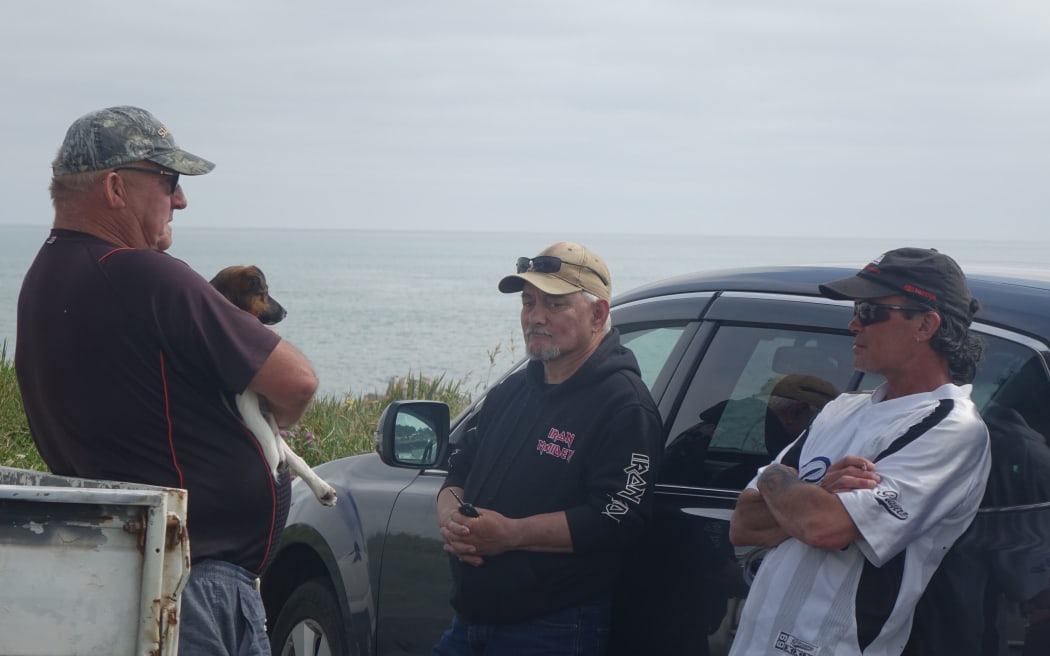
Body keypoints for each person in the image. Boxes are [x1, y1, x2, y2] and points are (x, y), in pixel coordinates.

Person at [15, 106, 318, 656]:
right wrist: (265, 433)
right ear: (115, 188)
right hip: (191, 586)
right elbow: (296, 382)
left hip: (119, 570)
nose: (180, 200)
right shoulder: (145, 275)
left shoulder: (42, 280)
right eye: (168, 180)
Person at [728, 247, 992, 656]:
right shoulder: (841, 409)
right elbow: (743, 525)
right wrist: (815, 489)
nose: (854, 324)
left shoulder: (951, 426)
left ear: (925, 324)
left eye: (869, 311)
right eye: (856, 310)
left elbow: (824, 527)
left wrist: (779, 481)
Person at [433, 241, 663, 656]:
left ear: (598, 315)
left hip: (551, 628)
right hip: (469, 622)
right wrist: (452, 517)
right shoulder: (512, 390)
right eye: (528, 302)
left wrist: (510, 535)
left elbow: (617, 517)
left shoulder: (624, 406)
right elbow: (460, 464)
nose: (535, 317)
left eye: (555, 304)